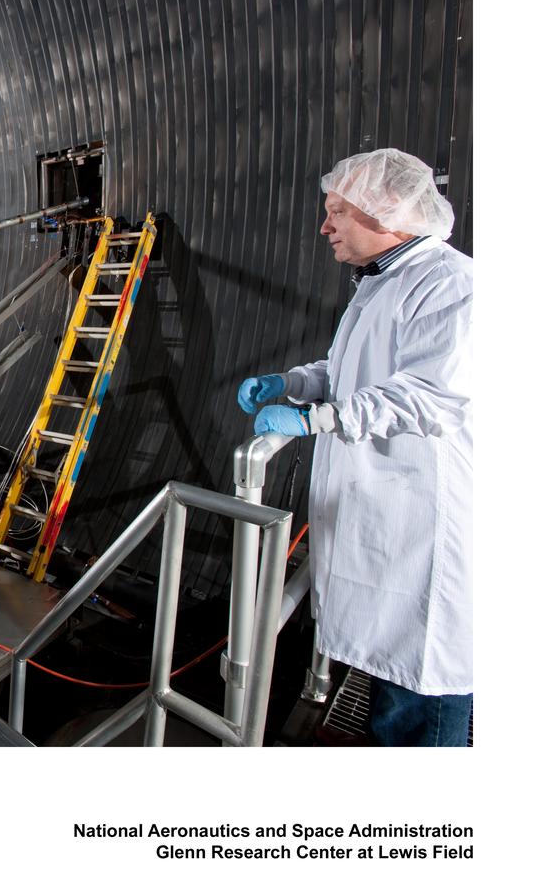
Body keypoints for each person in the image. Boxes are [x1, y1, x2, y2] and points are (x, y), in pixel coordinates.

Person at [237, 148, 471, 746]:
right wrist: (294, 383)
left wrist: (318, 419)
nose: (325, 226)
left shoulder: (450, 284)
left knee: (424, 684)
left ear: (386, 214)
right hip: (382, 516)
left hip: (421, 522)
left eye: (338, 211)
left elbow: (429, 395)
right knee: (391, 678)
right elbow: (353, 370)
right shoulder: (383, 281)